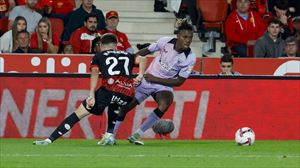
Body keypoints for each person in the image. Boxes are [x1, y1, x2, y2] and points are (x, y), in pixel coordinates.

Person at [33, 33, 136, 145]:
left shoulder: (99, 56)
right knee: (114, 104)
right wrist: (140, 75)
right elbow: (142, 59)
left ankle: (49, 140)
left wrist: (91, 94)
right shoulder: (127, 55)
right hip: (127, 94)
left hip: (108, 91)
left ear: (101, 45)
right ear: (116, 45)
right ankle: (109, 135)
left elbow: (95, 72)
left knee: (79, 113)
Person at [111, 22, 196, 146]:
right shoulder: (165, 42)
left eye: (190, 38)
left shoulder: (190, 57)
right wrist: (127, 63)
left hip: (163, 85)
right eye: (185, 37)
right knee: (125, 107)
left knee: (165, 102)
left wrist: (155, 79)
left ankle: (136, 134)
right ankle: (111, 135)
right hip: (145, 80)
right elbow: (145, 51)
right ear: (178, 36)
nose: (188, 40)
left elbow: (179, 82)